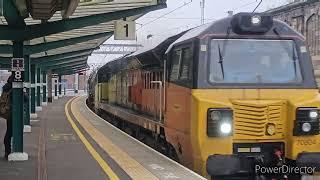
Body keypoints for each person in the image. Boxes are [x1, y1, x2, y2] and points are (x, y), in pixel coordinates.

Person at [3, 75, 13, 160]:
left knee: (9, 132)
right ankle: (9, 152)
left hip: (8, 112)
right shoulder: (14, 89)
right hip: (14, 113)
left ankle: (7, 151)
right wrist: (24, 91)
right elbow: (26, 99)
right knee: (11, 132)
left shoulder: (6, 87)